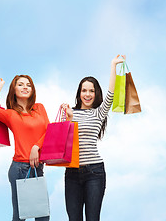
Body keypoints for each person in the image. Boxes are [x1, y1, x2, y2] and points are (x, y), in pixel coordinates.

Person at [62, 55, 125, 221]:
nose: (87, 94)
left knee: (93, 218)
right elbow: (64, 143)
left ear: (96, 93)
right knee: (74, 218)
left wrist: (113, 65)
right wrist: (68, 119)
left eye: (91, 90)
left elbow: (111, 92)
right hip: (72, 173)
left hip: (94, 172)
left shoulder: (99, 112)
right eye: (84, 90)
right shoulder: (70, 112)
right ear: (79, 92)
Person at [0, 75, 50, 221]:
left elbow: (49, 130)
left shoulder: (39, 108)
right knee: (20, 216)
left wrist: (36, 146)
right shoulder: (11, 114)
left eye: (28, 84)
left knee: (43, 216)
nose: (25, 87)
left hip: (38, 168)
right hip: (20, 168)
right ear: (14, 90)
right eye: (20, 84)